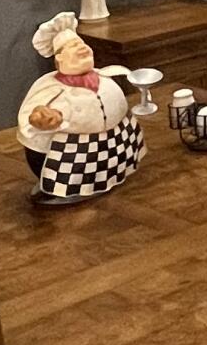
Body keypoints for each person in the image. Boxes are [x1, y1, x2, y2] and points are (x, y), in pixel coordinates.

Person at [16, 11, 143, 204]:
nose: (81, 47)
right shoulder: (50, 87)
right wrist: (41, 119)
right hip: (68, 155)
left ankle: (108, 176)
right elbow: (31, 116)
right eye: (73, 46)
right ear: (59, 60)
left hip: (110, 149)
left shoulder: (106, 77)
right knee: (65, 174)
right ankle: (61, 190)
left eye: (82, 44)